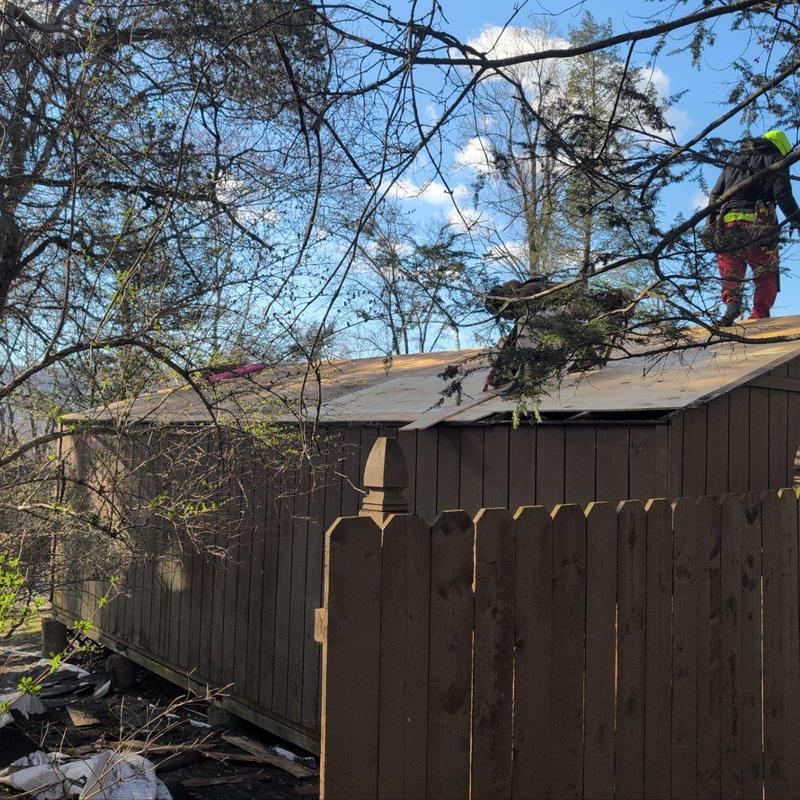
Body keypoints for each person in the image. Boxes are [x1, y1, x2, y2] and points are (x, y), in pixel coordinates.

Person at [707, 129, 800, 326]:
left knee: (730, 269)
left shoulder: (734, 159)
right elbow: (782, 195)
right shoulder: (776, 160)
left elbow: (715, 194)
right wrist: (797, 220)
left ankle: (732, 303)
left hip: (727, 225)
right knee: (765, 272)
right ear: (782, 148)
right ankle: (759, 314)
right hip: (759, 225)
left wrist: (711, 225)